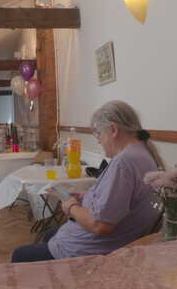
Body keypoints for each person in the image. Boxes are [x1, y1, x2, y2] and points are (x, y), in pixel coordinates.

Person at [11, 100, 163, 262]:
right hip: (114, 238)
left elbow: (100, 225)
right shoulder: (142, 153)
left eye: (98, 133)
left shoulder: (124, 162)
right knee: (49, 234)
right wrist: (87, 196)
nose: (98, 140)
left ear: (113, 130)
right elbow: (120, 200)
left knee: (20, 254)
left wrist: (71, 206)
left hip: (98, 247)